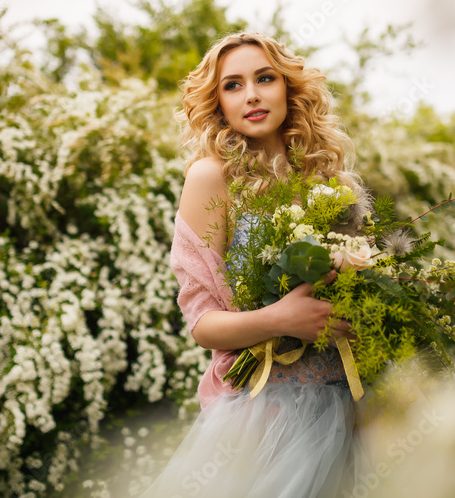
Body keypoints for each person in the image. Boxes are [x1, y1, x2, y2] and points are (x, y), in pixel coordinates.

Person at [140, 32, 374, 497]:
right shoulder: (211, 177)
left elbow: (365, 291)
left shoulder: (331, 180)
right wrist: (281, 319)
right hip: (264, 411)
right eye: (232, 85)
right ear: (217, 102)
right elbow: (203, 323)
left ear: (288, 87)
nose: (251, 95)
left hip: (347, 403)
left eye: (264, 78)